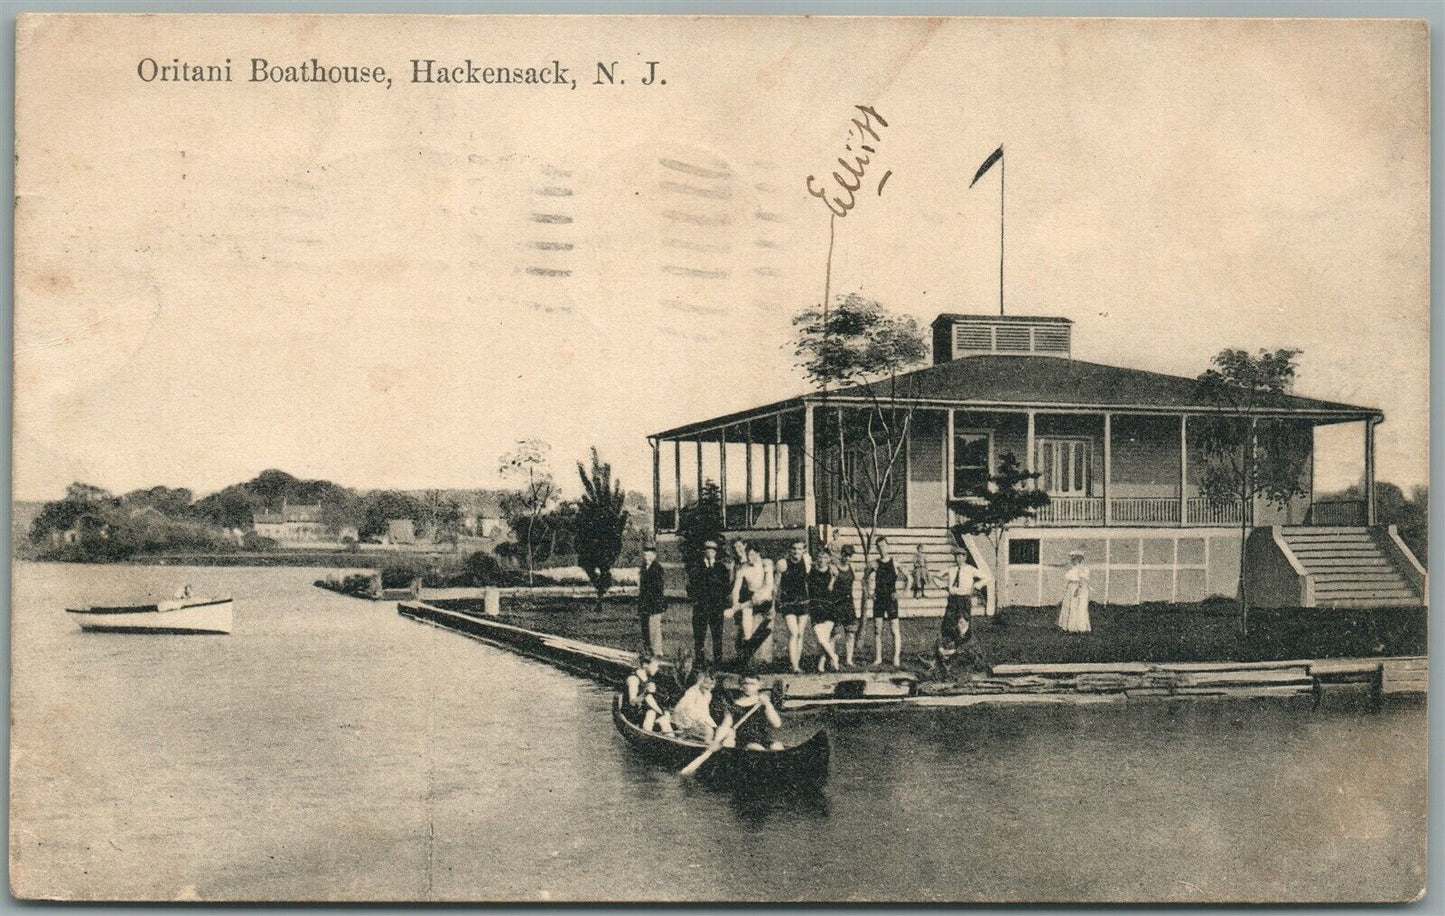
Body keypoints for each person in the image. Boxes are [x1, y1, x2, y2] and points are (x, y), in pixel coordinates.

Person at [730, 544, 775, 668]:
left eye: (753, 555)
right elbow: (736, 589)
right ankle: (748, 642)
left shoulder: (766, 564)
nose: (750, 558)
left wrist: (756, 597)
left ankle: (763, 659)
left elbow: (769, 585)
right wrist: (735, 603)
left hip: (765, 599)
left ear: (758, 554)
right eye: (748, 555)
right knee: (746, 617)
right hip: (751, 601)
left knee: (762, 623)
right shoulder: (743, 568)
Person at [716, 673, 783, 750]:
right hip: (744, 740)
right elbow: (726, 725)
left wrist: (768, 705)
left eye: (752, 684)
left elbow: (777, 724)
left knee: (778, 746)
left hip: (762, 738)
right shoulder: (735, 705)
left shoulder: (762, 703)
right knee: (757, 748)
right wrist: (717, 741)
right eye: (745, 683)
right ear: (741, 686)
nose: (748, 687)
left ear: (759, 686)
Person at [691, 540, 732, 666]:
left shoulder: (721, 568)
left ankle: (718, 662)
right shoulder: (696, 567)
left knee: (717, 636)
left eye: (712, 551)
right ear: (704, 552)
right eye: (707, 550)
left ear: (716, 553)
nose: (710, 553)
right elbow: (692, 587)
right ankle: (699, 661)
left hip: (716, 607)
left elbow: (725, 588)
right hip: (701, 607)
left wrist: (723, 604)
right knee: (699, 637)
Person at [775, 541, 812, 674]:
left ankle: (796, 664)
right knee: (793, 633)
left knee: (800, 634)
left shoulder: (806, 562)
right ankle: (794, 665)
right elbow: (776, 584)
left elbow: (810, 580)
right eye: (794, 549)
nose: (796, 552)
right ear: (790, 550)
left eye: (799, 549)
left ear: (803, 550)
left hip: (803, 601)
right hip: (788, 602)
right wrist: (775, 600)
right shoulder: (783, 563)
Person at [933, 602, 990, 682]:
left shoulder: (971, 637)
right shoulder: (954, 636)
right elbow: (943, 644)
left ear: (968, 623)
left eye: (963, 623)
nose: (962, 626)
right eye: (959, 623)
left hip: (972, 663)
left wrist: (953, 652)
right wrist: (943, 650)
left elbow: (970, 651)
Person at [870, 537, 902, 668]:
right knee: (878, 630)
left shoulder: (894, 562)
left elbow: (909, 577)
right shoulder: (874, 563)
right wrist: (869, 593)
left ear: (887, 546)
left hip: (891, 600)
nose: (881, 548)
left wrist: (901, 593)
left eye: (883, 545)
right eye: (879, 546)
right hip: (879, 600)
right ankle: (878, 658)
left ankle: (896, 658)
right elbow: (864, 579)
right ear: (877, 548)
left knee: (894, 629)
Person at [809, 549, 841, 672]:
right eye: (820, 557)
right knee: (821, 639)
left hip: (828, 608)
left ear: (829, 559)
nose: (822, 560)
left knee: (824, 639)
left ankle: (821, 665)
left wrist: (832, 580)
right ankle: (834, 656)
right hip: (815, 607)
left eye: (825, 558)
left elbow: (833, 590)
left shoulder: (832, 571)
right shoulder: (811, 570)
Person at [625, 656, 674, 734]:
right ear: (645, 665)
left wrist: (662, 712)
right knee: (651, 714)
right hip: (632, 712)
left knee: (664, 716)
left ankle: (672, 739)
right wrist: (646, 693)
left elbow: (650, 699)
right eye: (656, 666)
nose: (657, 669)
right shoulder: (633, 679)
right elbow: (632, 702)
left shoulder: (647, 679)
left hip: (643, 711)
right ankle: (646, 736)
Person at [943, 546, 992, 622]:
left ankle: (964, 634)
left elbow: (987, 578)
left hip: (964, 598)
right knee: (949, 621)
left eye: (960, 556)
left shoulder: (970, 569)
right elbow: (935, 577)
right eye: (956, 557)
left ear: (965, 558)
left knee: (965, 621)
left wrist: (975, 586)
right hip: (953, 599)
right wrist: (945, 586)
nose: (958, 559)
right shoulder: (951, 569)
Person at [670, 670, 719, 742]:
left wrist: (707, 723)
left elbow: (704, 711)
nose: (710, 687)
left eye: (712, 684)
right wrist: (696, 720)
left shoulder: (708, 695)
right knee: (705, 730)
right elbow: (685, 707)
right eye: (707, 683)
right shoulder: (693, 691)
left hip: (696, 717)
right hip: (684, 715)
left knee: (710, 731)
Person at [834, 545, 862, 667]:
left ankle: (849, 660)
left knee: (850, 633)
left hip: (849, 603)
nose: (847, 558)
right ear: (841, 554)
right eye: (845, 555)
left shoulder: (852, 568)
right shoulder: (834, 568)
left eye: (849, 555)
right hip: (836, 603)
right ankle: (832, 659)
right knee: (835, 633)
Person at [637, 544, 667, 657]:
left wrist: (654, 601)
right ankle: (647, 649)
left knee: (654, 627)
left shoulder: (657, 568)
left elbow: (658, 588)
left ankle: (657, 650)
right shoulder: (644, 567)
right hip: (644, 602)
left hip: (654, 603)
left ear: (654, 555)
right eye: (645, 554)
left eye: (648, 554)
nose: (646, 556)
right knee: (645, 627)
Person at [1058, 549, 1093, 633]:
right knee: (1070, 606)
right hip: (1071, 588)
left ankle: (1078, 627)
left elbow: (1082, 580)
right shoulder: (1073, 569)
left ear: (1079, 559)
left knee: (1078, 606)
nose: (1072, 561)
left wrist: (1078, 589)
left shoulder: (1082, 569)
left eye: (1074, 559)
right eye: (1072, 559)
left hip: (1078, 588)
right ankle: (1069, 626)